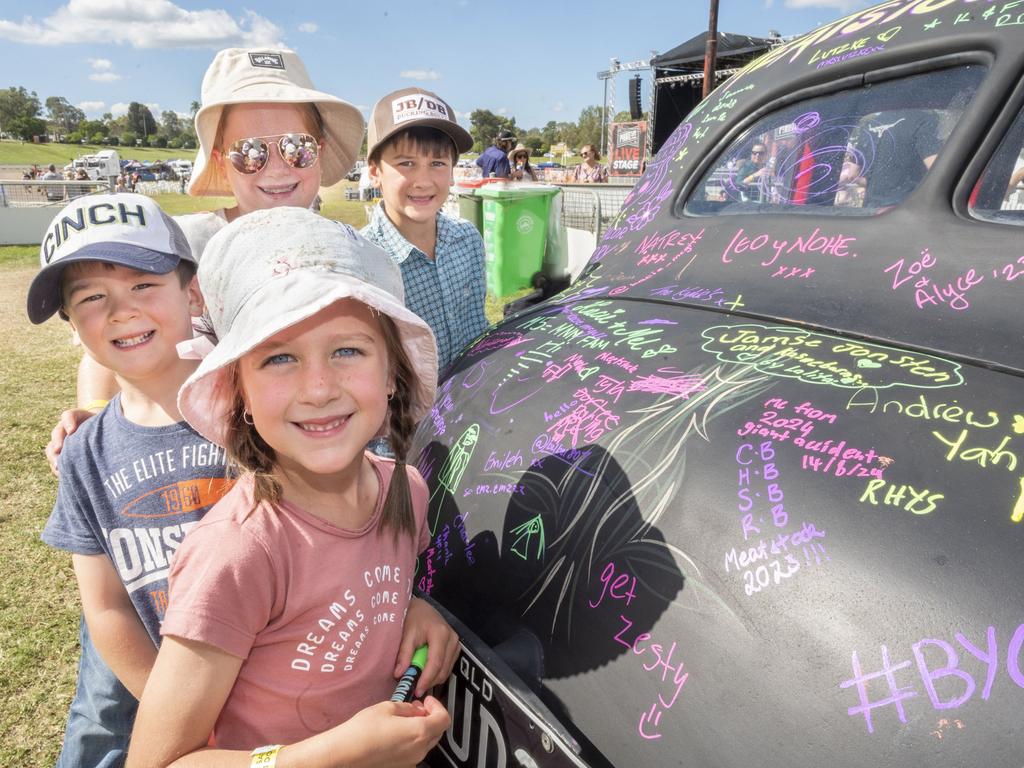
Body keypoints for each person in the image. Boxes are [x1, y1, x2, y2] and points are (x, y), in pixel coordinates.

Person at [127, 207, 456, 767]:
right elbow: (156, 763)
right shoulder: (238, 552)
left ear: (392, 373)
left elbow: (364, 587)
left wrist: (416, 609)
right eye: (279, 358)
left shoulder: (407, 491)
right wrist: (330, 756)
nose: (319, 388)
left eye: (347, 350)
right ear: (240, 394)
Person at [51, 45, 365, 474]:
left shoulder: (346, 249)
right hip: (210, 474)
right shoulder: (182, 243)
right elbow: (111, 337)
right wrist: (94, 408)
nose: (275, 168)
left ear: (320, 150)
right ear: (222, 160)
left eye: (296, 147)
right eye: (249, 152)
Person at [27, 193, 229, 768]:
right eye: (92, 298)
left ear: (191, 292)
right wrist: (175, 712)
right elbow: (108, 609)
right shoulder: (85, 454)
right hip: (177, 702)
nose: (121, 311)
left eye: (144, 284)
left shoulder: (254, 411)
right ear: (72, 325)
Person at [362, 87, 489, 374]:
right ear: (374, 171)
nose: (423, 181)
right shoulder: (363, 262)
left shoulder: (467, 239)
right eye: (406, 163)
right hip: (407, 415)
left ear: (453, 170)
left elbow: (477, 324)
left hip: (472, 397)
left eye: (437, 163)